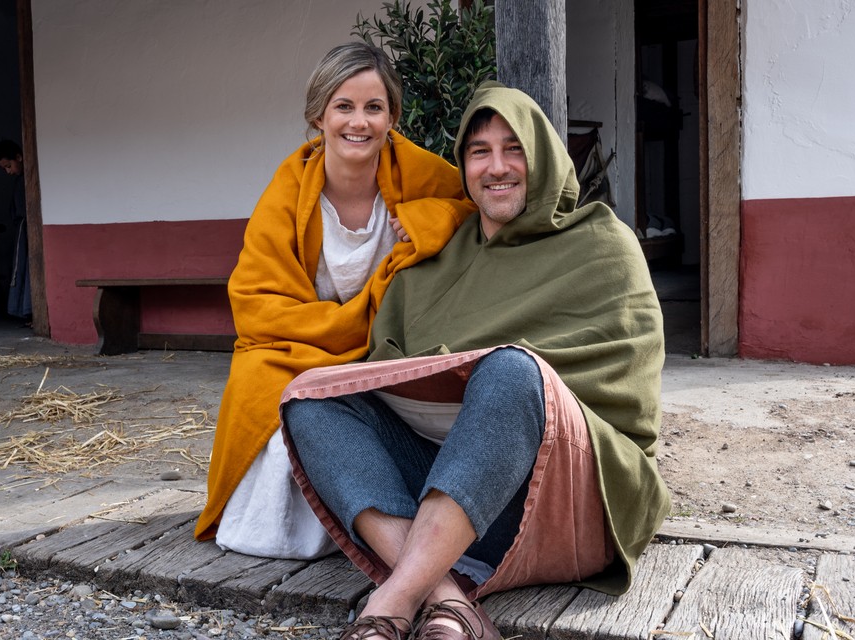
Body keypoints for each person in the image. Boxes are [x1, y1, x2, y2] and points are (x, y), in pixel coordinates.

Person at [281, 81, 670, 640]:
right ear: (463, 165)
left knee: (513, 371)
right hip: (447, 505)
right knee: (312, 399)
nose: (497, 167)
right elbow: (386, 365)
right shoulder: (436, 259)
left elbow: (623, 390)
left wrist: (489, 374)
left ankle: (390, 601)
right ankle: (444, 598)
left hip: (561, 500)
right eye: (479, 151)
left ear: (543, 156)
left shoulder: (602, 245)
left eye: (514, 149)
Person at [193, 43, 473, 556]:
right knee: (262, 393)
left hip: (387, 350)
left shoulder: (420, 173)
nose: (358, 122)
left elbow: (471, 204)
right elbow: (255, 301)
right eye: (344, 106)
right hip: (298, 347)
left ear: (392, 117)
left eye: (374, 107)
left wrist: (430, 219)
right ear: (318, 116)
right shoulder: (287, 190)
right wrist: (336, 333)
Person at [0, 139, 32, 321]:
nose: (8, 172)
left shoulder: (29, 179)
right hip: (22, 227)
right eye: (4, 169)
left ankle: (28, 309)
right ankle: (23, 310)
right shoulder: (20, 181)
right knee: (21, 267)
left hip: (27, 227)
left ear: (19, 157)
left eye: (8, 166)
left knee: (25, 268)